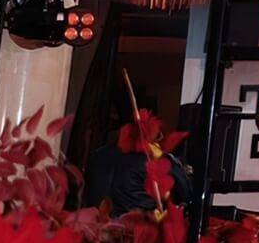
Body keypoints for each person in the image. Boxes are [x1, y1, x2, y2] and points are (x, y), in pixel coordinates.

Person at [82, 85, 191, 214]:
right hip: (136, 225)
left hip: (97, 225)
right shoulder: (154, 161)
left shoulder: (97, 156)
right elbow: (188, 194)